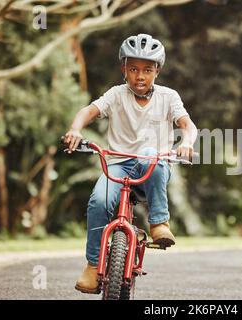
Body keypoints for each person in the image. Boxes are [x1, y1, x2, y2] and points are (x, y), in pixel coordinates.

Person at [63, 34, 198, 293]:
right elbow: (88, 111)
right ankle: (92, 265)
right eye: (133, 69)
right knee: (99, 202)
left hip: (153, 166)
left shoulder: (169, 97)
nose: (140, 76)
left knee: (150, 152)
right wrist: (75, 129)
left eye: (147, 70)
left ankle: (159, 223)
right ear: (123, 69)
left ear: (157, 71)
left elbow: (186, 125)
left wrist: (187, 142)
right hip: (117, 164)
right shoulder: (116, 95)